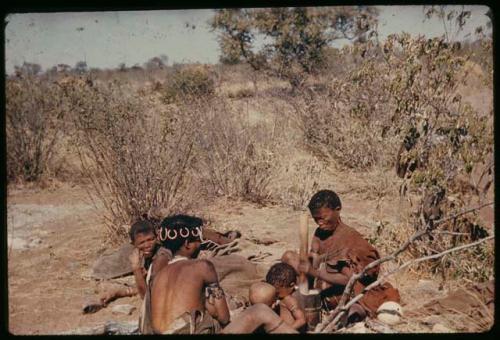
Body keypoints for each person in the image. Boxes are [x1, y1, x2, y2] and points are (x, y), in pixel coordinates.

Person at [149, 214, 297, 334]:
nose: (200, 246)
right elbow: (224, 318)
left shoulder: (158, 276)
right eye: (197, 242)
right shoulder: (202, 266)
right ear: (187, 244)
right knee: (260, 311)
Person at [281, 189, 400, 325]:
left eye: (322, 218)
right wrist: (312, 260)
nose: (319, 222)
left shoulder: (351, 239)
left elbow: (352, 280)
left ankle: (343, 319)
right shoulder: (320, 232)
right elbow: (315, 258)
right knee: (289, 257)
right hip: (318, 287)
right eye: (315, 219)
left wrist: (315, 272)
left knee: (354, 311)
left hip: (342, 294)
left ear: (337, 210)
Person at [265, 263, 306, 331]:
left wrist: (286, 330)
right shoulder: (284, 295)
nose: (274, 294)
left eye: (277, 292)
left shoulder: (289, 300)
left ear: (291, 285)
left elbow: (302, 320)